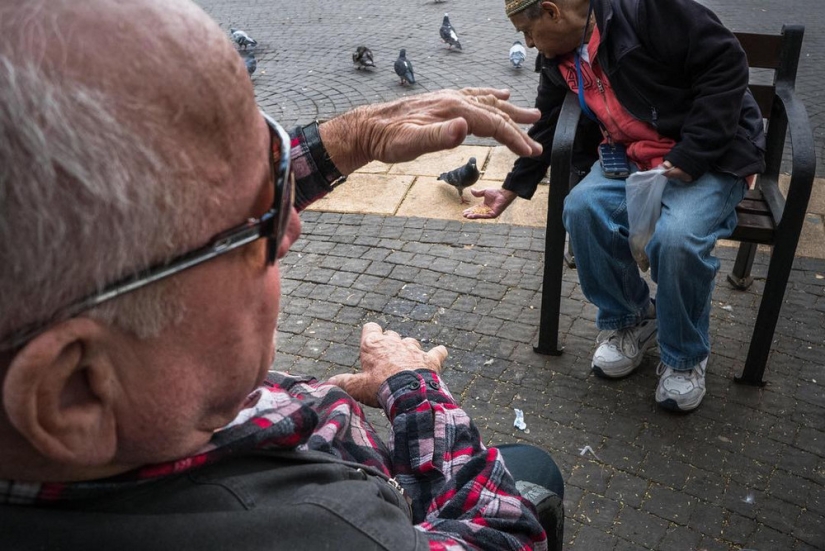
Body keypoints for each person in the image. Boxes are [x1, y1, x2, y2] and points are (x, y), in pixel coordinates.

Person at [0, 0, 566, 549]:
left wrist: (356, 136)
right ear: (76, 391)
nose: (292, 225)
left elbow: (179, 198)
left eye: (275, 169)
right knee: (534, 470)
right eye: (255, 229)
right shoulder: (320, 530)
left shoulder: (129, 405)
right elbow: (507, 535)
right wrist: (414, 390)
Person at [465, 0, 766, 412]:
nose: (530, 43)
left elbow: (726, 63)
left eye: (528, 31)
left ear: (553, 11)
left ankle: (684, 356)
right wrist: (512, 187)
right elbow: (548, 124)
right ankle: (630, 320)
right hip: (632, 156)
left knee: (676, 240)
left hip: (710, 156)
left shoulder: (648, 10)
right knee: (582, 208)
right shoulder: (558, 59)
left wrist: (695, 151)